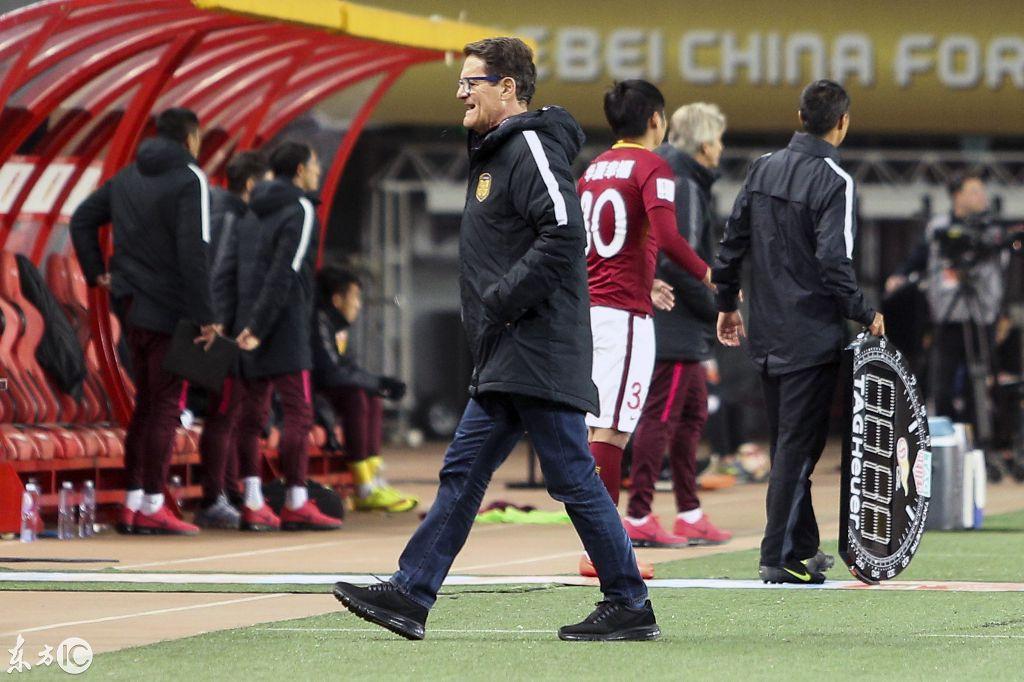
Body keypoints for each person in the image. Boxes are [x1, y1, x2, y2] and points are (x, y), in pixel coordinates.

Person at [333, 37, 658, 643]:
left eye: (471, 82)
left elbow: (566, 232)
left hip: (536, 347)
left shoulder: (529, 146)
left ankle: (629, 601)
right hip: (511, 349)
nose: (461, 93)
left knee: (572, 477)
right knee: (464, 472)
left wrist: (502, 300)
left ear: (507, 88)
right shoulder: (498, 151)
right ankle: (411, 592)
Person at [713, 80, 885, 584]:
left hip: (766, 332)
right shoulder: (836, 181)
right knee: (796, 448)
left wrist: (726, 304)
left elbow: (732, 242)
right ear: (842, 122)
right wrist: (864, 312)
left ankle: (803, 546)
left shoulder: (763, 167)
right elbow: (834, 260)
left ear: (800, 116)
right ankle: (776, 556)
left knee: (791, 444)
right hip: (810, 335)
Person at [577, 80, 714, 576]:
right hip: (624, 318)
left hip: (594, 310)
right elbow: (670, 236)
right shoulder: (652, 166)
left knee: (600, 427)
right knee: (612, 432)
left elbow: (593, 245)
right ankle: (604, 552)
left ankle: (601, 546)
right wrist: (709, 274)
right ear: (656, 119)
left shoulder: (593, 169)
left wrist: (646, 277)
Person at [70, 107, 219, 536]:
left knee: (147, 405)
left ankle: (134, 502)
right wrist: (206, 316)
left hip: (131, 305)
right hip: (171, 308)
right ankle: (153, 502)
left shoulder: (127, 177)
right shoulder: (190, 179)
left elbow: (82, 219)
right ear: (191, 137)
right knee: (166, 406)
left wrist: (97, 271)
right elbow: (195, 251)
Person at [217, 141, 342, 532]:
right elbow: (286, 272)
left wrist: (237, 325)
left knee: (251, 417)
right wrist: (260, 326)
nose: (318, 171)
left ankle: (254, 502)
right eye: (315, 164)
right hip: (284, 328)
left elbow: (229, 271)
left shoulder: (250, 210)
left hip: (246, 328)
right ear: (301, 170)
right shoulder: (301, 209)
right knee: (298, 414)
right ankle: (296, 501)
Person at [625, 102, 732, 547]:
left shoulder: (670, 172)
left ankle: (689, 512)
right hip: (675, 322)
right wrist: (716, 306)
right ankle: (638, 514)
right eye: (718, 140)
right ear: (705, 145)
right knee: (661, 417)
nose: (721, 148)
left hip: (679, 322)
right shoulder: (683, 182)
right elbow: (678, 256)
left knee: (691, 415)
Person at [886, 171, 1005, 440]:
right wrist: (900, 275)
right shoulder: (938, 228)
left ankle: (982, 442)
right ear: (957, 196)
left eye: (982, 191)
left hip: (981, 315)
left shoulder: (992, 229)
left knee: (979, 385)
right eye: (974, 192)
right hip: (948, 315)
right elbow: (919, 256)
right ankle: (944, 439)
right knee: (942, 385)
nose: (982, 197)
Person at [194, 150, 270, 529]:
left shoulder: (227, 213)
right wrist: (219, 324)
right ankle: (214, 497)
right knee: (222, 414)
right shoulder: (229, 217)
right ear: (252, 184)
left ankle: (226, 490)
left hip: (221, 325)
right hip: (220, 331)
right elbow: (218, 276)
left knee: (229, 413)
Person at [311, 266, 418, 512]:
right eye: (355, 298)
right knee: (357, 395)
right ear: (337, 299)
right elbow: (328, 372)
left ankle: (374, 480)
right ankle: (363, 487)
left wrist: (378, 384)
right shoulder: (317, 321)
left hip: (327, 391)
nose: (358, 305)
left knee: (370, 395)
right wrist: (378, 383)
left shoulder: (337, 326)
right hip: (310, 394)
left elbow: (348, 368)